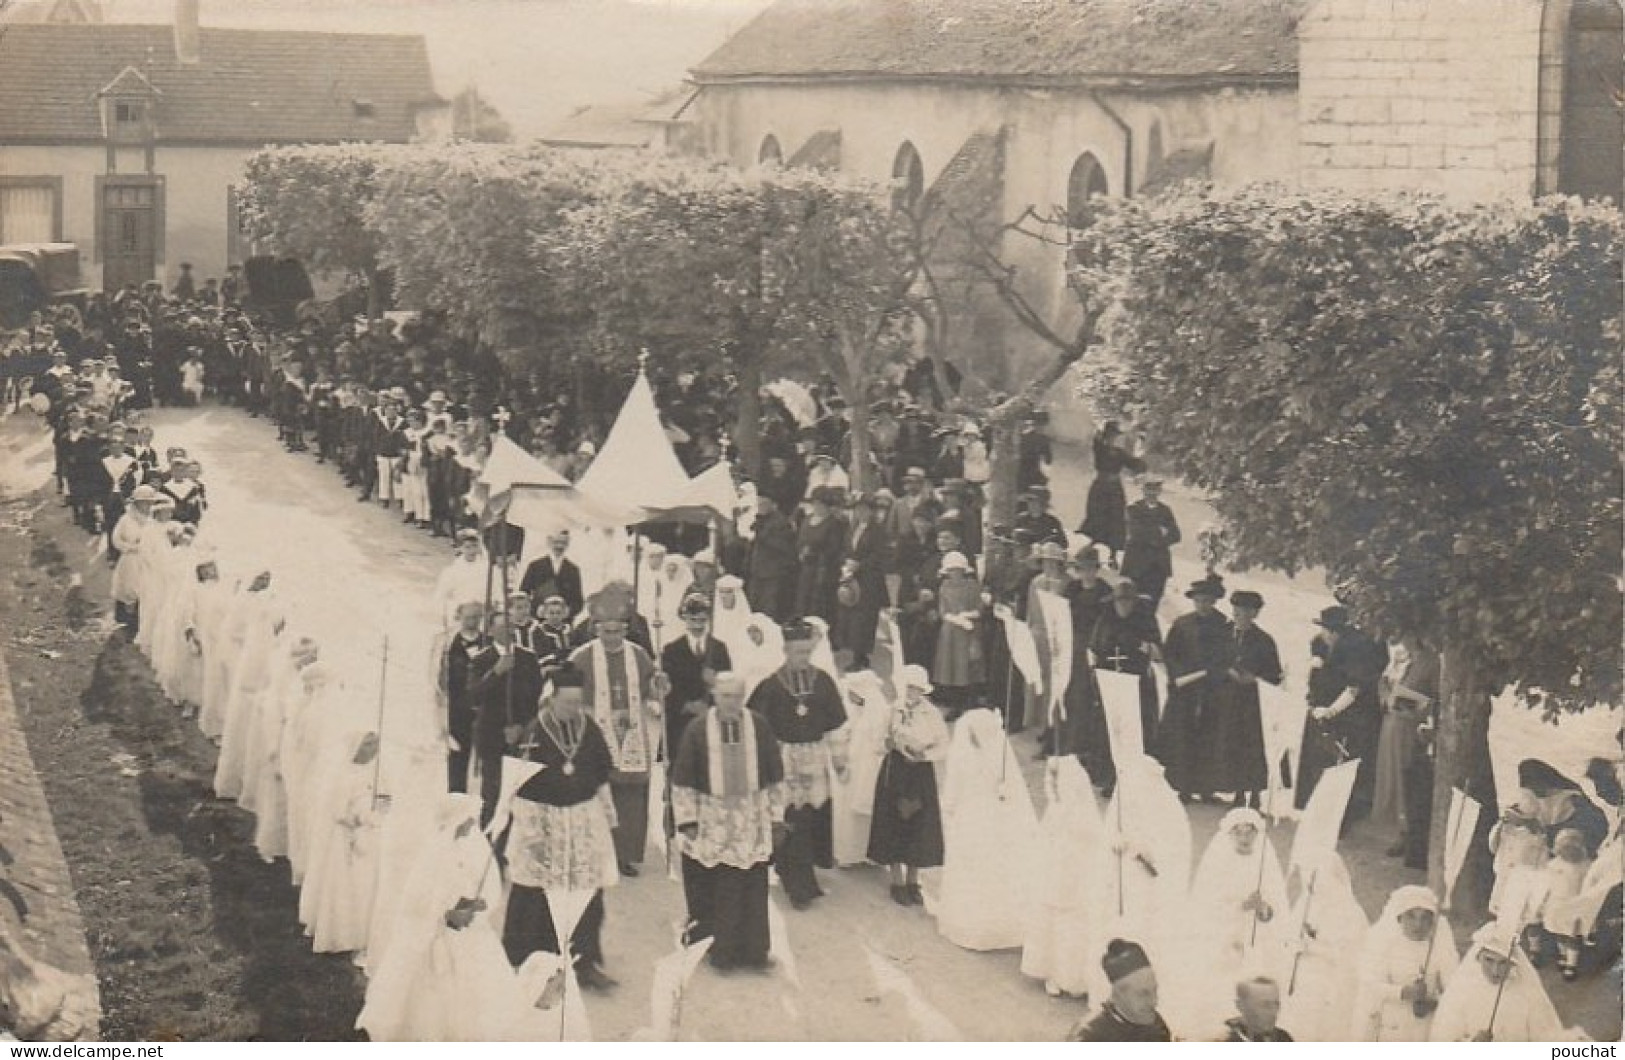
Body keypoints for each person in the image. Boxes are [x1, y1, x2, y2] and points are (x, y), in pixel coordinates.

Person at [501, 665, 620, 993]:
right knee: (536, 891)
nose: (573, 709)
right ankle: (529, 959)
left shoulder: (589, 728)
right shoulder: (534, 733)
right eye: (567, 703)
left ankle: (584, 960)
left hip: (581, 819)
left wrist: (607, 819)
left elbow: (601, 776)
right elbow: (520, 790)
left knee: (587, 890)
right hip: (543, 821)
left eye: (578, 703)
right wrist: (533, 835)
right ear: (551, 699)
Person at [670, 672, 786, 971]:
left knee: (754, 884)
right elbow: (682, 780)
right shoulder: (697, 729)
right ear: (714, 696)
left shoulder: (758, 726)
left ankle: (755, 953)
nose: (731, 702)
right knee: (721, 886)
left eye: (737, 696)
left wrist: (776, 816)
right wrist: (687, 820)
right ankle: (722, 954)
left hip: (751, 816)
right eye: (725, 696)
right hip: (714, 817)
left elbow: (775, 774)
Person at [745, 619, 848, 909]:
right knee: (789, 818)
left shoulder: (823, 681)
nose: (803, 658)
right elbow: (757, 727)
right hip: (784, 760)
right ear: (785, 651)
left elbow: (837, 723)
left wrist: (839, 757)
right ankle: (797, 885)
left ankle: (800, 872)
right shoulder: (770, 685)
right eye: (797, 652)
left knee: (810, 818)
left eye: (807, 652)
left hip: (815, 757)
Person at [569, 584, 666, 878]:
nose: (612, 637)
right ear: (596, 629)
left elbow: (652, 691)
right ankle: (593, 851)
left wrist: (658, 688)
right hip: (594, 732)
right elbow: (566, 693)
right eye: (606, 631)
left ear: (625, 630)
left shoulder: (638, 655)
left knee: (631, 794)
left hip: (631, 731)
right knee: (596, 792)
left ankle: (625, 853)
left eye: (618, 631)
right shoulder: (581, 657)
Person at [937, 707, 1038, 951]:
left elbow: (952, 791)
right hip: (987, 818)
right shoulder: (996, 754)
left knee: (979, 869)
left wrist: (950, 808)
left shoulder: (964, 756)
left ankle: (976, 924)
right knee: (986, 869)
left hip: (976, 818)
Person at [1180, 807, 1289, 1026]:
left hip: (1258, 937)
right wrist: (1240, 906)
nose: (1244, 837)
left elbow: (1275, 909)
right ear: (1229, 835)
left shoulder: (1264, 864)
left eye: (1250, 832)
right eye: (1238, 832)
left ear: (1258, 835)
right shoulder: (1219, 863)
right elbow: (1206, 906)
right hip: (1224, 934)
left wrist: (1263, 908)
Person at [1022, 756, 1110, 1000]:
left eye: (1058, 784)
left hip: (1075, 873)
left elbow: (1091, 841)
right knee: (1054, 918)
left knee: (1073, 921)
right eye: (1053, 783)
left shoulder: (1083, 816)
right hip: (1056, 873)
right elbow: (1045, 838)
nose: (1054, 788)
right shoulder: (1055, 811)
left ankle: (1072, 974)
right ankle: (1053, 971)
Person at [866, 665, 949, 907]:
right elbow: (877, 743)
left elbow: (943, 744)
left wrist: (925, 755)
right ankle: (897, 881)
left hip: (920, 772)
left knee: (918, 824)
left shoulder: (931, 714)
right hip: (896, 770)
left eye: (918, 689)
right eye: (910, 688)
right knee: (894, 822)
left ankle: (914, 881)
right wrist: (889, 743)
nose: (913, 693)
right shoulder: (893, 711)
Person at [1295, 605, 1387, 823]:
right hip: (1322, 711)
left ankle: (1339, 818)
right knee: (1318, 763)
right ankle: (1316, 811)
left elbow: (1354, 688)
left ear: (1336, 631)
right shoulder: (1321, 644)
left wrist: (1331, 711)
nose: (1323, 635)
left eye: (1326, 630)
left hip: (1350, 715)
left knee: (1341, 765)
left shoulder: (1356, 649)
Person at [1155, 576, 1234, 801]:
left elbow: (1227, 656)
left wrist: (1214, 675)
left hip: (1212, 690)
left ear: (1214, 601)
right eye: (1199, 600)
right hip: (1185, 689)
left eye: (1208, 601)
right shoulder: (1182, 624)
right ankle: (1183, 786)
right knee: (1183, 736)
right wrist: (1180, 675)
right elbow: (1170, 654)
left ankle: (1206, 788)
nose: (1203, 605)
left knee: (1209, 736)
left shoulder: (1223, 625)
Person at [1276, 852, 1370, 1042]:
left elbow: (1352, 957)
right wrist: (1293, 942)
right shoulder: (1306, 902)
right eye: (1307, 876)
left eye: (1315, 878)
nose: (1310, 884)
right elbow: (1289, 934)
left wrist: (1314, 946)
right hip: (1302, 979)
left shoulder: (1351, 913)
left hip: (1331, 983)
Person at [1350, 885, 1458, 1041]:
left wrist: (1434, 1002)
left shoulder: (1439, 948)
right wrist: (1403, 992)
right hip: (1392, 1023)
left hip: (1425, 1024)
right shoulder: (1387, 946)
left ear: (1432, 922)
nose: (1418, 925)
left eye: (1424, 918)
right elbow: (1370, 985)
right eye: (1411, 916)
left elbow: (1453, 989)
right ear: (1400, 918)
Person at [1429, 921, 1566, 1041]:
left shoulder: (1526, 992)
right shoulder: (1461, 991)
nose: (1495, 971)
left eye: (1503, 963)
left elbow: (1546, 1038)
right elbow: (1443, 1039)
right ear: (1478, 958)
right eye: (1489, 960)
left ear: (1513, 964)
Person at [468, 613, 544, 828]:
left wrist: (521, 725)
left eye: (510, 627)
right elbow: (474, 696)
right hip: (490, 735)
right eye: (502, 627)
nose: (508, 631)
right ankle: (490, 841)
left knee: (521, 791)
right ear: (491, 631)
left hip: (520, 733)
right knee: (492, 792)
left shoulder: (528, 658)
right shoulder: (480, 659)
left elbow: (536, 696)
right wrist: (496, 672)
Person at [1088, 579, 1164, 791]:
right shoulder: (1105, 620)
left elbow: (1159, 654)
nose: (1124, 606)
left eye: (1128, 602)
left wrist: (1143, 645)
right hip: (1110, 683)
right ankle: (1109, 777)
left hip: (1136, 685)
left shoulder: (1146, 621)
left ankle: (1133, 779)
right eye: (1120, 602)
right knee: (1109, 730)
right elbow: (1093, 650)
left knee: (1135, 731)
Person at [1209, 590, 1282, 810]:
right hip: (1227, 700)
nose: (1240, 616)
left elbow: (1275, 675)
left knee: (1253, 748)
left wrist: (1255, 679)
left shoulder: (1265, 641)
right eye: (1237, 611)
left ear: (1255, 614)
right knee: (1232, 746)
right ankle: (1238, 793)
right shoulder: (1222, 634)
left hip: (1253, 703)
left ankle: (1255, 795)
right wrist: (1226, 672)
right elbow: (1212, 663)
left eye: (1246, 612)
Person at [660, 593, 732, 757]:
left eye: (702, 620)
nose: (698, 626)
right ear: (685, 619)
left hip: (712, 719)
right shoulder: (672, 650)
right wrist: (687, 705)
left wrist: (715, 683)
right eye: (693, 620)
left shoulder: (719, 649)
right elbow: (666, 689)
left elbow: (729, 685)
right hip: (681, 722)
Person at [1066, 939, 1174, 1042]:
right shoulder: (1087, 1037)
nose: (1154, 1001)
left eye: (1154, 990)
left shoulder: (1156, 1024)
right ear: (1118, 994)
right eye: (1143, 994)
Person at [434, 601, 487, 793]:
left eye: (476, 617)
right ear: (460, 617)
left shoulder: (486, 642)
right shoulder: (448, 645)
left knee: (483, 756)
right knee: (457, 754)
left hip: (482, 708)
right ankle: (456, 797)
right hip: (457, 709)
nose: (472, 621)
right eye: (468, 617)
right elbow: (439, 678)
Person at [1078, 422, 1144, 562]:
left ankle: (1113, 554)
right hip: (1100, 486)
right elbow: (1096, 441)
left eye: (1114, 436)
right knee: (1097, 514)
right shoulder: (1100, 449)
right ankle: (1093, 543)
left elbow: (1135, 465)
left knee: (1115, 518)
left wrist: (1141, 453)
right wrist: (1100, 430)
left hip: (1114, 489)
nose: (1112, 438)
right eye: (1110, 435)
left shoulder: (1120, 453)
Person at [932, 551, 986, 716]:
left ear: (964, 570)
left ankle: (970, 701)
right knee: (952, 667)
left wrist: (968, 616)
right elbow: (943, 611)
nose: (954, 573)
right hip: (950, 632)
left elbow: (980, 608)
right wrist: (954, 619)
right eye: (950, 570)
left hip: (969, 630)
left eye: (957, 570)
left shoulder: (973, 586)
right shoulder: (944, 587)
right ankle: (955, 703)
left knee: (969, 664)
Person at [1119, 479, 1180, 609]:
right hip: (1138, 565)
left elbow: (1176, 535)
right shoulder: (1134, 509)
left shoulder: (1165, 511)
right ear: (1143, 491)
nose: (1151, 495)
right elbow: (1136, 533)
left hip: (1159, 566)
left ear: (1159, 492)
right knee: (1135, 603)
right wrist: (1160, 532)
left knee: (1153, 603)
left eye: (1155, 491)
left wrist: (1153, 534)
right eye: (1148, 491)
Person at [747, 495, 798, 623]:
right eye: (759, 504)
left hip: (772, 572)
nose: (760, 507)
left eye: (764, 504)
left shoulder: (781, 522)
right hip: (757, 570)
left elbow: (785, 547)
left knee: (769, 607)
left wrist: (763, 537)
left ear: (773, 504)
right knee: (753, 604)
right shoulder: (760, 520)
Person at [521, 530, 584, 622]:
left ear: (568, 544)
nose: (559, 546)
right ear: (549, 542)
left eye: (563, 543)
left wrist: (568, 611)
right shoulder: (535, 566)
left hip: (564, 624)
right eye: (556, 542)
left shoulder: (573, 569)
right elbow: (524, 594)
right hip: (539, 621)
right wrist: (536, 610)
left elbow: (578, 601)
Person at [435, 529, 491, 631]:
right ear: (460, 548)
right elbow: (441, 597)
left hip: (482, 617)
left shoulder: (488, 569)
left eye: (475, 546)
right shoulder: (451, 571)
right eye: (467, 547)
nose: (472, 551)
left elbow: (496, 593)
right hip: (459, 617)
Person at [1221, 977, 1295, 1042]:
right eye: (1265, 1005)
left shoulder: (1283, 1038)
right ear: (1241, 1006)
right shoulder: (1226, 1041)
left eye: (1276, 1004)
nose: (1273, 1013)